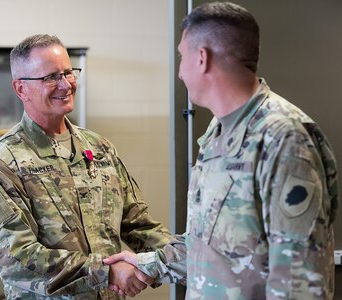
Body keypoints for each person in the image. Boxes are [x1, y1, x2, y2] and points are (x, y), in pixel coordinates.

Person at [104, 2, 339, 299]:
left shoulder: (283, 138)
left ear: (201, 58)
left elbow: (300, 282)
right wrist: (146, 264)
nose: (179, 73)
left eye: (181, 57)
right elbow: (209, 247)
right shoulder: (218, 132)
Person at [0, 34, 173, 300]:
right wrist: (108, 272)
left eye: (69, 72)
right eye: (51, 77)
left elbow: (138, 224)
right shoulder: (2, 161)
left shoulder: (100, 147)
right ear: (21, 89)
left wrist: (184, 259)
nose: (65, 84)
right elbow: (15, 259)